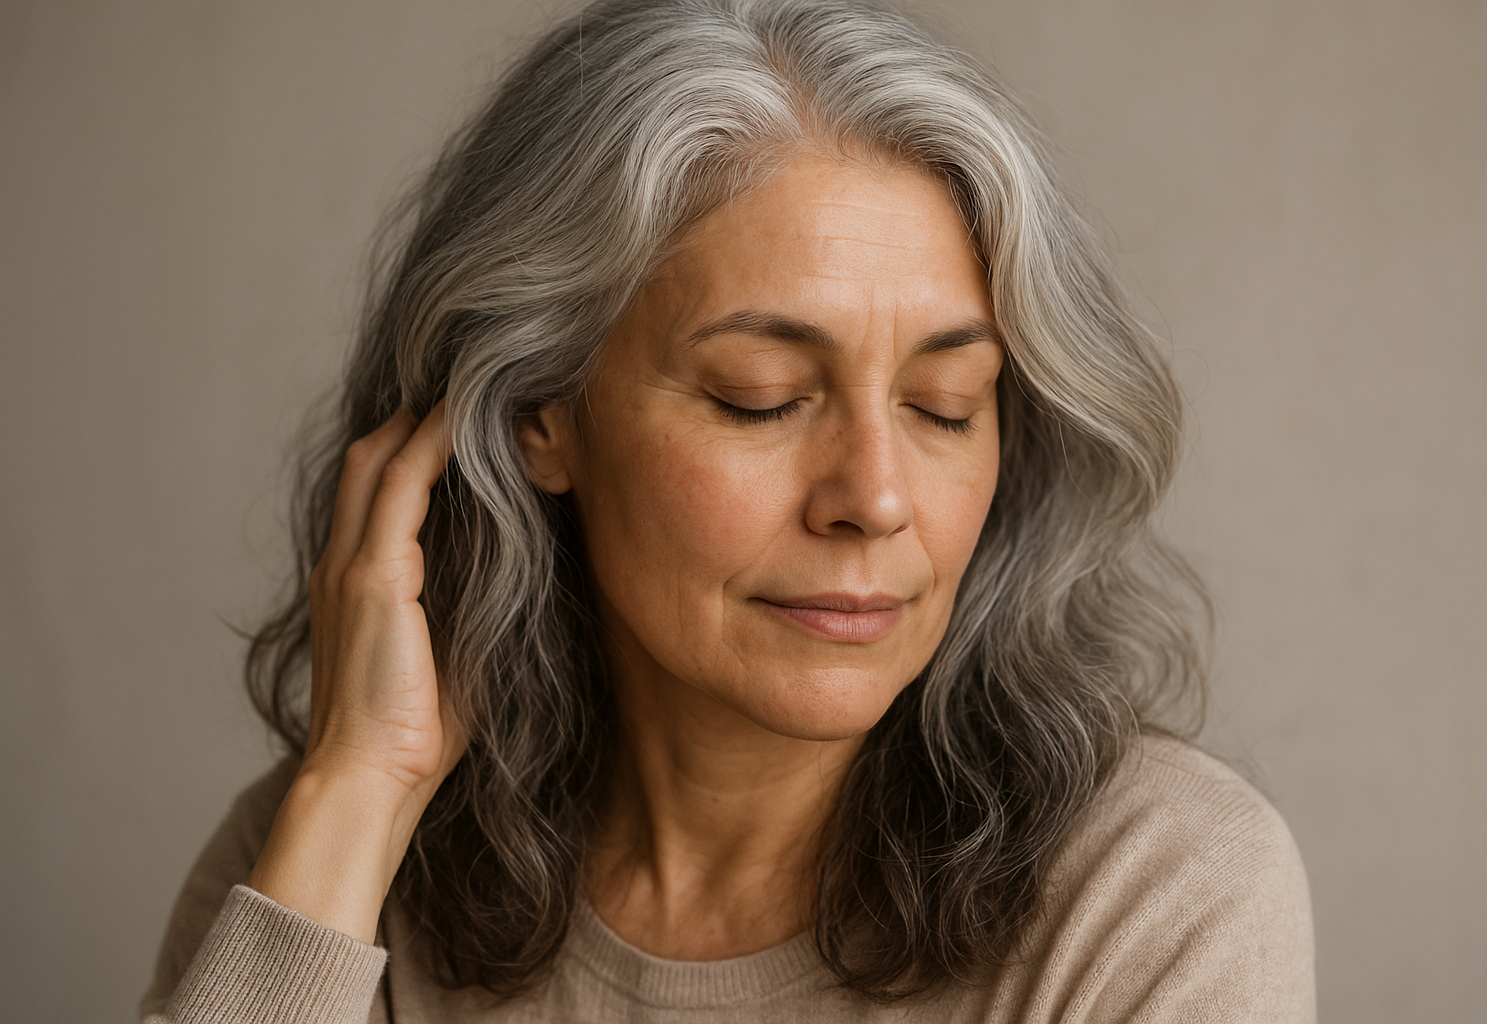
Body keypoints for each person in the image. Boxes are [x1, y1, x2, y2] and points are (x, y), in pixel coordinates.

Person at [141, 0, 1314, 1021]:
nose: (879, 496)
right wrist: (357, 792)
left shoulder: (1158, 890)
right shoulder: (315, 865)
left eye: (946, 405)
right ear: (539, 412)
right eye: (764, 399)